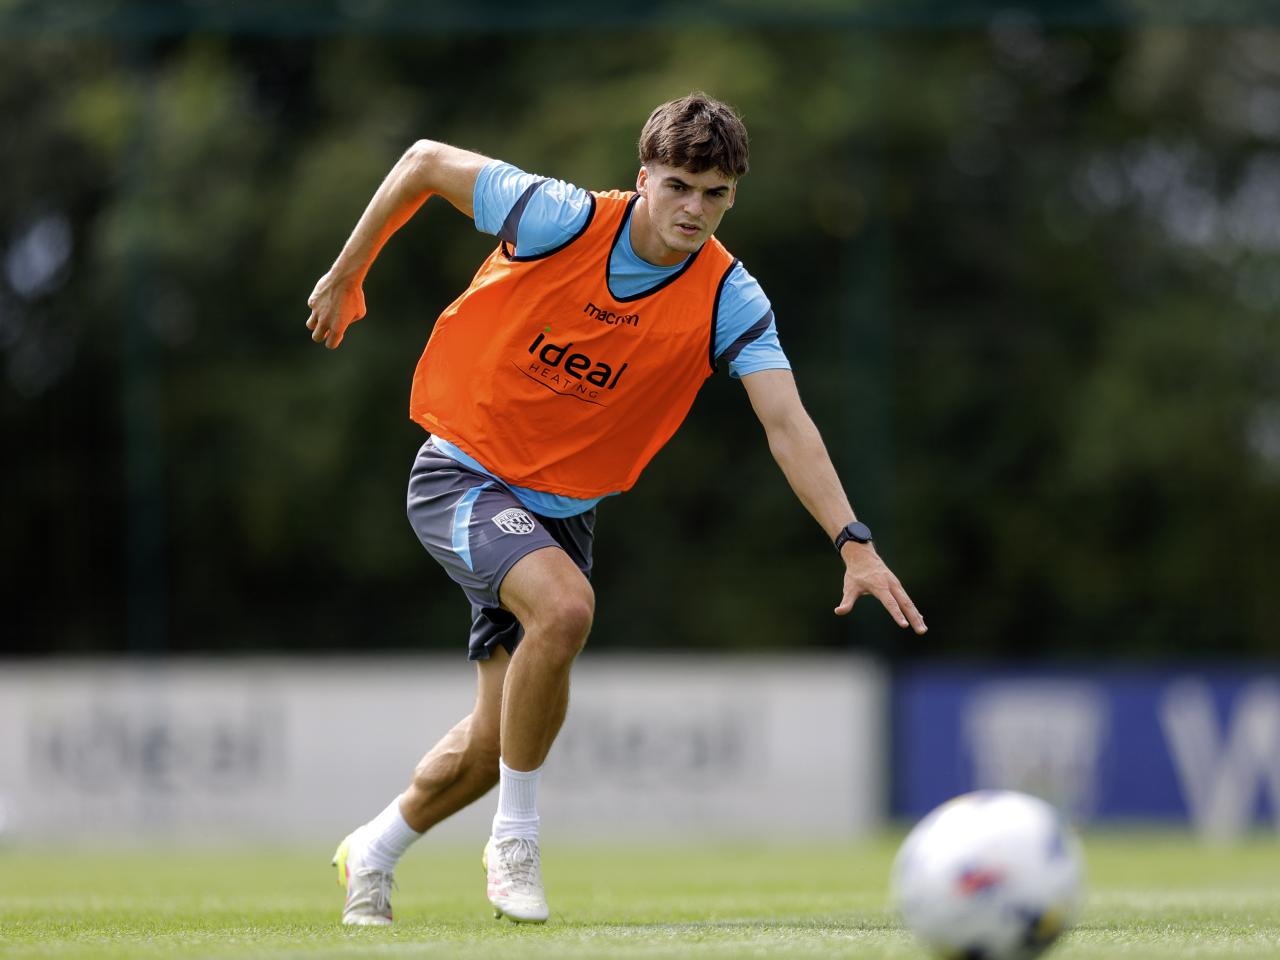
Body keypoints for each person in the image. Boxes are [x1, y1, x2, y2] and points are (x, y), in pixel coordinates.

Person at [305, 92, 926, 927]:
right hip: (462, 469)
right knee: (565, 608)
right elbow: (420, 160)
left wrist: (854, 542)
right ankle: (516, 844)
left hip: (563, 509)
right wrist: (349, 272)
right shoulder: (558, 216)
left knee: (495, 745)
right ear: (643, 179)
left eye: (716, 194)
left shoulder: (729, 298)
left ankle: (370, 853)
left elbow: (788, 423)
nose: (695, 210)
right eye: (678, 186)